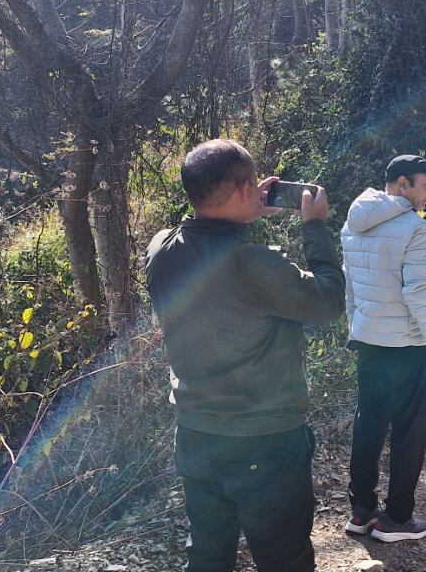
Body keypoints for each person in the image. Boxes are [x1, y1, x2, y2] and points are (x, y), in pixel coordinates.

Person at [146, 139, 346, 572]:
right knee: (284, 559)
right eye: (252, 185)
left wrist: (243, 212)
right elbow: (329, 302)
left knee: (208, 555)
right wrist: (314, 228)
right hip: (265, 442)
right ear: (242, 190)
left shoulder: (160, 248)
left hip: (197, 435)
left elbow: (201, 237)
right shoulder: (253, 265)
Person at [342, 154, 426, 542]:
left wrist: (355, 327)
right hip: (408, 347)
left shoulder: (353, 223)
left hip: (370, 341)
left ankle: (361, 513)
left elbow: (351, 286)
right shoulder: (416, 230)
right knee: (408, 431)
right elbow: (420, 293)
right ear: (402, 183)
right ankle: (397, 520)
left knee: (368, 422)